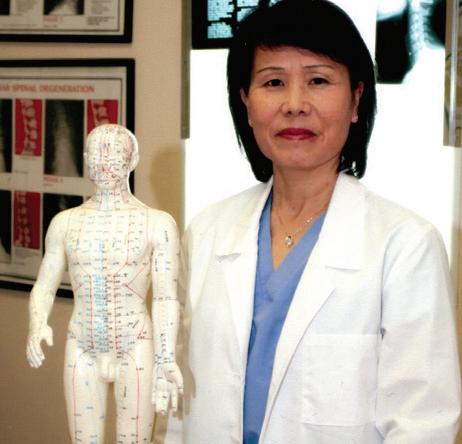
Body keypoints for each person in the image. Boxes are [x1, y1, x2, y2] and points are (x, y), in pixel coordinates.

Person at [162, 1, 461, 443]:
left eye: (318, 80)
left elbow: (423, 425)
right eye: (273, 82)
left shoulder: (406, 244)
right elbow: (179, 401)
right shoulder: (207, 231)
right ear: (246, 101)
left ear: (356, 100)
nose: (294, 105)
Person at [26, 124, 183, 443]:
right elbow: (45, 285)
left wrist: (165, 357)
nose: (105, 160)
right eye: (98, 153)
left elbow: (166, 297)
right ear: (86, 159)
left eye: (115, 153)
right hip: (82, 345)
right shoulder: (64, 223)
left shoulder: (158, 224)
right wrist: (36, 323)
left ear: (133, 159)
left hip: (135, 345)